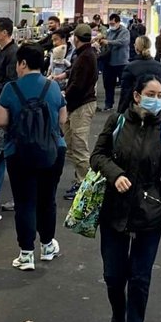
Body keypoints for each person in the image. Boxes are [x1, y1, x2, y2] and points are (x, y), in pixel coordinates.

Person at [91, 72, 161, 322]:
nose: (156, 100)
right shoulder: (117, 123)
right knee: (113, 276)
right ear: (136, 95)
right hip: (114, 209)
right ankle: (118, 313)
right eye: (151, 94)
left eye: (160, 96)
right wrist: (115, 174)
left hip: (150, 212)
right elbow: (97, 156)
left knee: (140, 279)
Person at [0, 43, 68, 270]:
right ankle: (47, 246)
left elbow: (1, 121)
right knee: (47, 199)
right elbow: (62, 119)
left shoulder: (10, 89)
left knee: (25, 202)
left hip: (19, 152)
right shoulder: (52, 87)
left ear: (23, 63)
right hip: (53, 150)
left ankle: (26, 254)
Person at [63, 24, 98, 200]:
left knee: (79, 146)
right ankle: (81, 181)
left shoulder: (85, 56)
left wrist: (63, 97)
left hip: (81, 106)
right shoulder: (86, 54)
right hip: (78, 105)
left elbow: (78, 85)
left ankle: (86, 186)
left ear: (76, 38)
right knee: (71, 144)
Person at [120, 34, 161, 118]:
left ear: (136, 48)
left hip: (136, 109)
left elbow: (125, 94)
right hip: (157, 110)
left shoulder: (130, 67)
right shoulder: (159, 66)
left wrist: (121, 112)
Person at [101, 13, 129, 111]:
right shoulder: (108, 32)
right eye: (110, 23)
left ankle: (124, 106)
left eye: (113, 24)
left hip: (121, 62)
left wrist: (108, 42)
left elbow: (123, 42)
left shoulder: (125, 31)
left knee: (125, 85)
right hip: (109, 62)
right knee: (108, 84)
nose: (111, 25)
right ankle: (108, 103)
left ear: (118, 22)